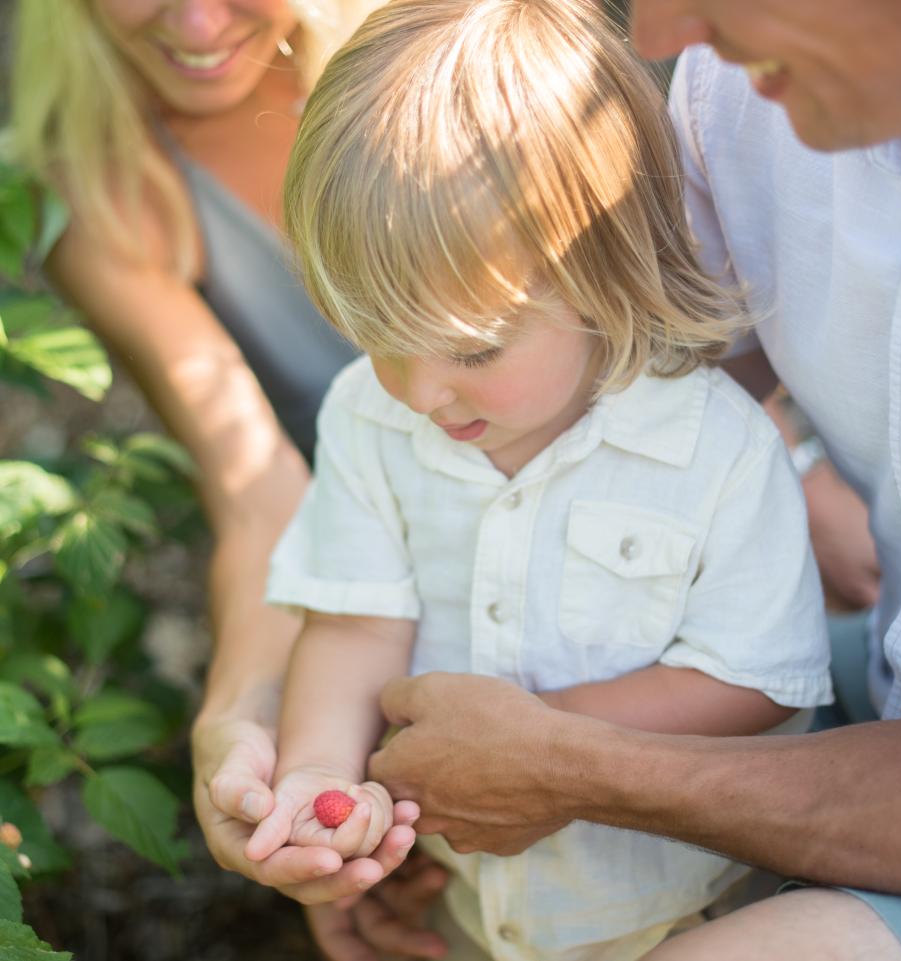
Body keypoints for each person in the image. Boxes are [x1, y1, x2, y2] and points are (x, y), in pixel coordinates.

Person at [364, 0, 901, 958]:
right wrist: (319, 762)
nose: (658, 35)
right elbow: (622, 422)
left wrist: (569, 766)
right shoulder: (748, 92)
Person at [244, 0, 834, 957]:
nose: (422, 389)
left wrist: (531, 746)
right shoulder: (370, 413)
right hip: (474, 904)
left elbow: (753, 679)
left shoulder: (712, 447)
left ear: (605, 270)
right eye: (381, 340)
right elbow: (355, 622)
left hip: (688, 909)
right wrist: (324, 780)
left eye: (472, 347)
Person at [7, 0, 420, 907]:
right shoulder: (110, 189)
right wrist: (240, 717)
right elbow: (260, 492)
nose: (197, 26)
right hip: (378, 595)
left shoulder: (428, 54)